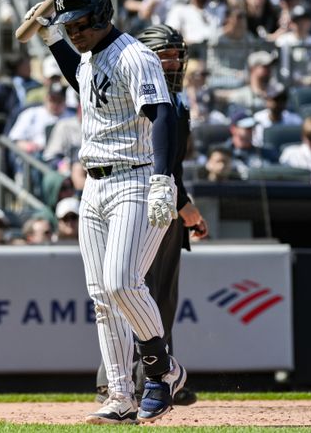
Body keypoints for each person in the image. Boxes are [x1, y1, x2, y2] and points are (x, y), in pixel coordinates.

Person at [26, 0, 187, 424]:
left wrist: (162, 180)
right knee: (101, 296)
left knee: (121, 282)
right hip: (94, 184)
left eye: (78, 24)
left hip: (134, 179)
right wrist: (48, 34)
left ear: (100, 15)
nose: (73, 32)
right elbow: (87, 89)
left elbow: (161, 114)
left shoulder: (135, 55)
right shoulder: (90, 57)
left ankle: (161, 371)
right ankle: (119, 395)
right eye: (67, 26)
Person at [93, 24, 208, 406]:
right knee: (137, 290)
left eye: (177, 54)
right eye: (165, 54)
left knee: (143, 292)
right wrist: (183, 204)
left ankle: (145, 377)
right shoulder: (147, 94)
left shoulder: (177, 98)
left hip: (161, 196)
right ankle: (142, 378)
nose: (173, 61)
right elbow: (160, 160)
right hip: (148, 197)